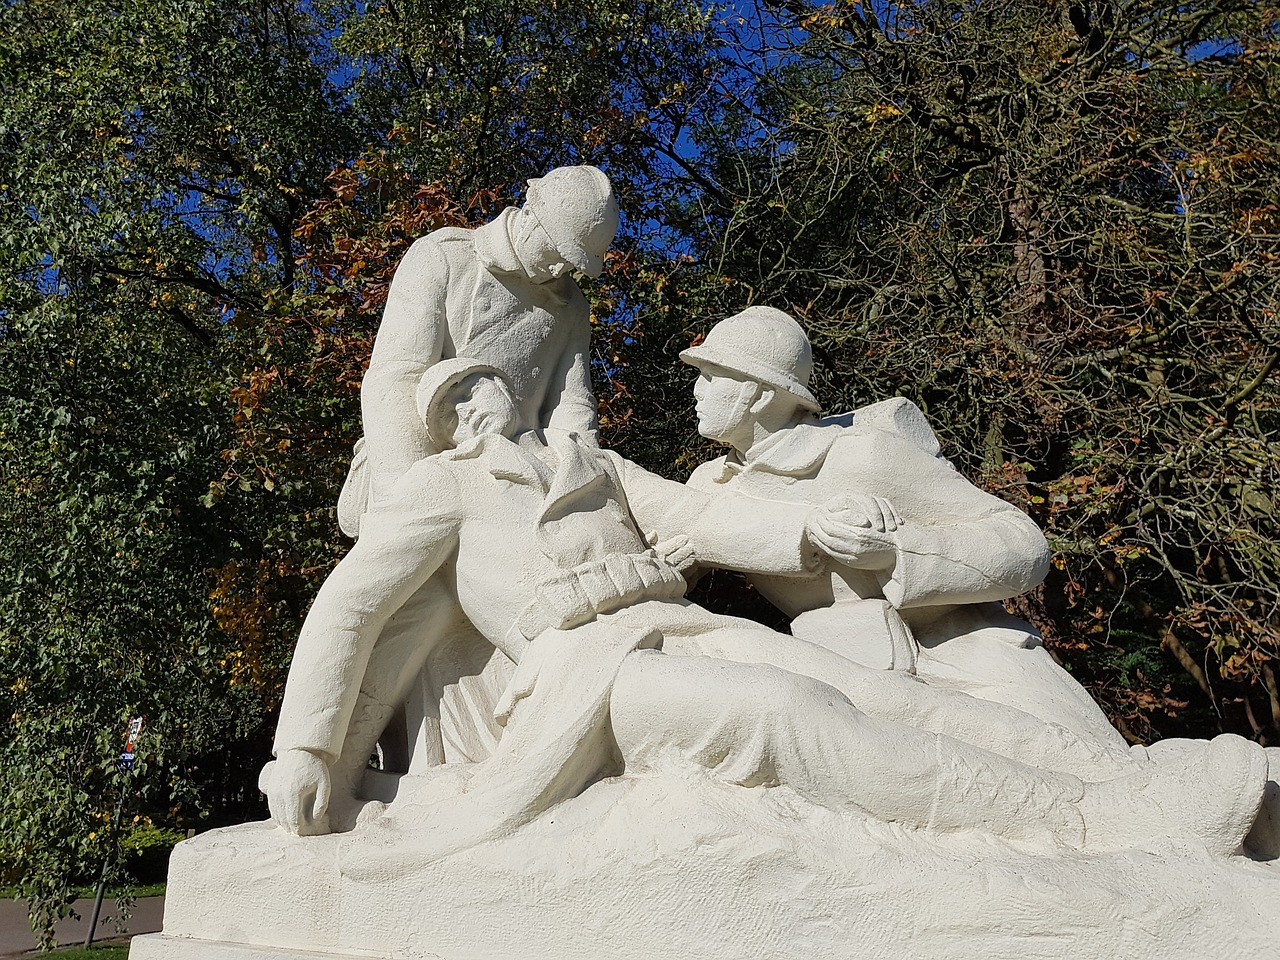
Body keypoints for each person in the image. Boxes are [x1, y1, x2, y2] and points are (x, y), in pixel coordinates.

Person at [259, 360, 1266, 860]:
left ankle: (1135, 783)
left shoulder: (593, 463)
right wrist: (305, 750)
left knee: (885, 695)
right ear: (444, 425)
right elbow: (351, 608)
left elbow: (703, 516)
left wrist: (808, 532)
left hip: (674, 628)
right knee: (787, 714)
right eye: (454, 401)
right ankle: (1086, 827)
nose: (476, 402)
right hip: (582, 677)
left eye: (482, 385)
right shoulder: (438, 490)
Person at [680, 306, 1126, 746]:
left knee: (1086, 769)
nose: (697, 390)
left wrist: (897, 552)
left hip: (963, 657)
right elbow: (669, 569)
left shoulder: (859, 455)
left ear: (760, 394)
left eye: (712, 377)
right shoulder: (707, 487)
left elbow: (1023, 545)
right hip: (842, 675)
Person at [338, 164, 619, 538]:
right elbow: (396, 377)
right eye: (557, 250)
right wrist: (404, 498)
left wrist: (589, 489)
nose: (560, 267)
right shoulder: (445, 256)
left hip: (522, 475)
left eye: (573, 261)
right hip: (428, 463)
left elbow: (570, 404)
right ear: (530, 214)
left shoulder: (572, 307)